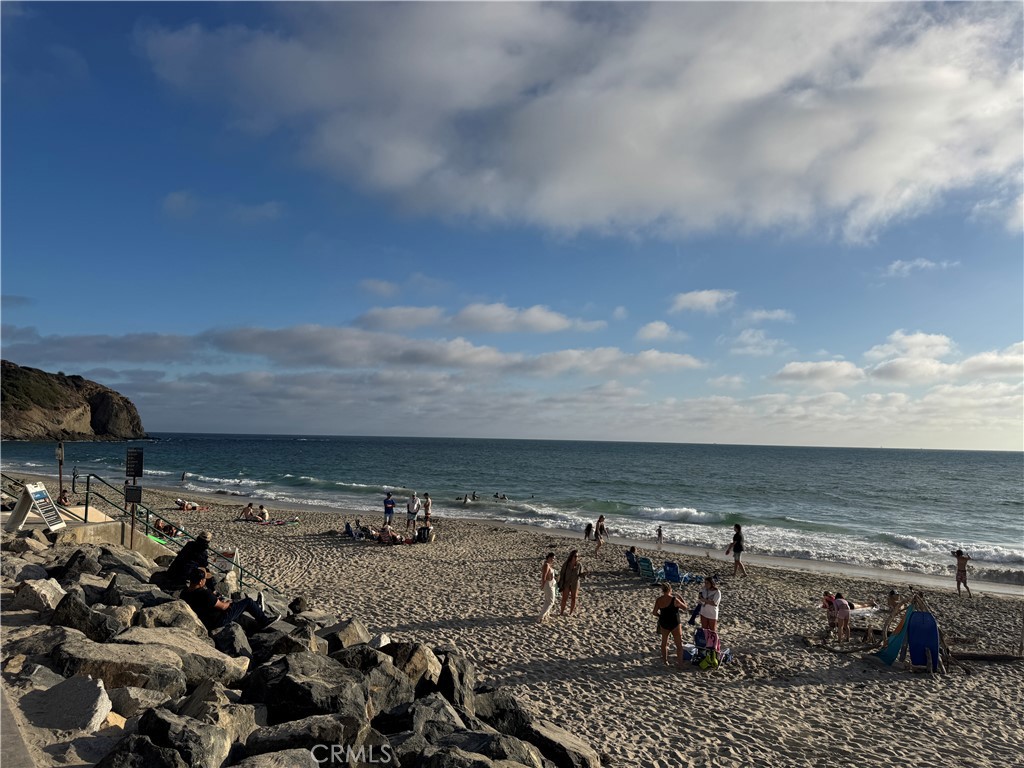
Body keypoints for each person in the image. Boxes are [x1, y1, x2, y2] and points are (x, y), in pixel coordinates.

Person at [180, 568, 274, 632]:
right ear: (201, 581)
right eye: (204, 579)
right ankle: (264, 621)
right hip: (217, 620)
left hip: (205, 619)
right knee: (247, 602)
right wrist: (229, 602)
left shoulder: (184, 593)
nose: (205, 581)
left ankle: (256, 609)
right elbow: (223, 607)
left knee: (238, 607)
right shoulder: (205, 593)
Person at [653, 583, 689, 666]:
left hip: (664, 622)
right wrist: (681, 598)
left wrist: (660, 616)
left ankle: (665, 661)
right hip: (675, 623)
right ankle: (680, 664)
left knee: (664, 643)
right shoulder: (674, 599)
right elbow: (685, 608)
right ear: (670, 590)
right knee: (679, 645)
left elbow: (654, 612)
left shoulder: (659, 600)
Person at [557, 549, 586, 616]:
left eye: (577, 556)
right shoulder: (566, 564)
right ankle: (561, 612)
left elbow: (580, 574)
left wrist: (584, 574)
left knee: (574, 598)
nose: (576, 558)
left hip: (575, 583)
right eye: (575, 556)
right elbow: (562, 573)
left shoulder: (579, 565)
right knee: (564, 598)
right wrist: (561, 582)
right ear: (571, 556)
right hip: (566, 583)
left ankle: (571, 612)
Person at [538, 552, 557, 623]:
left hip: (552, 583)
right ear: (548, 557)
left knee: (547, 600)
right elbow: (544, 576)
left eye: (554, 559)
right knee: (551, 602)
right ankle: (541, 616)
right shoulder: (546, 565)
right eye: (552, 558)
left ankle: (546, 614)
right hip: (548, 584)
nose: (553, 560)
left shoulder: (549, 565)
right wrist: (542, 584)